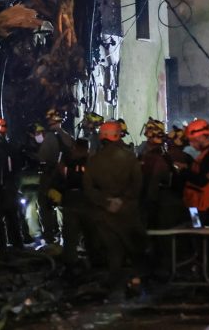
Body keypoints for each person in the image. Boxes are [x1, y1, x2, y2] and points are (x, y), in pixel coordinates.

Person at [83, 121, 147, 298]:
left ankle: (114, 286)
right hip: (128, 212)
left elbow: (88, 188)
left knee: (113, 250)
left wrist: (105, 202)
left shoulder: (94, 160)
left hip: (105, 214)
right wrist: (123, 200)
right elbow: (138, 185)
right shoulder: (130, 158)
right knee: (134, 249)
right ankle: (135, 283)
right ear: (118, 136)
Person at [0, 114, 24, 250]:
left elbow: (13, 167)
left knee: (6, 216)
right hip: (3, 187)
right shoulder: (3, 147)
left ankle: (8, 247)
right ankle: (10, 246)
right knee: (6, 217)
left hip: (4, 187)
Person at [37, 108, 73, 248]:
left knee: (45, 205)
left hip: (50, 177)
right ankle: (65, 237)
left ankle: (49, 238)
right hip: (65, 178)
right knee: (63, 207)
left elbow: (42, 157)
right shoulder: (68, 137)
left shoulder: (50, 138)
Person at [183, 118, 209, 227]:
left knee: (198, 233)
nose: (191, 144)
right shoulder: (208, 152)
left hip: (202, 208)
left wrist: (183, 172)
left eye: (192, 140)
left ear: (200, 137)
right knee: (199, 232)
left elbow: (202, 181)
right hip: (199, 205)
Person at [59, 139, 91, 266]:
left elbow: (62, 177)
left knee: (72, 233)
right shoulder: (91, 161)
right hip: (82, 200)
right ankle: (77, 261)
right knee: (84, 233)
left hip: (77, 200)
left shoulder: (70, 162)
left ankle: (72, 261)